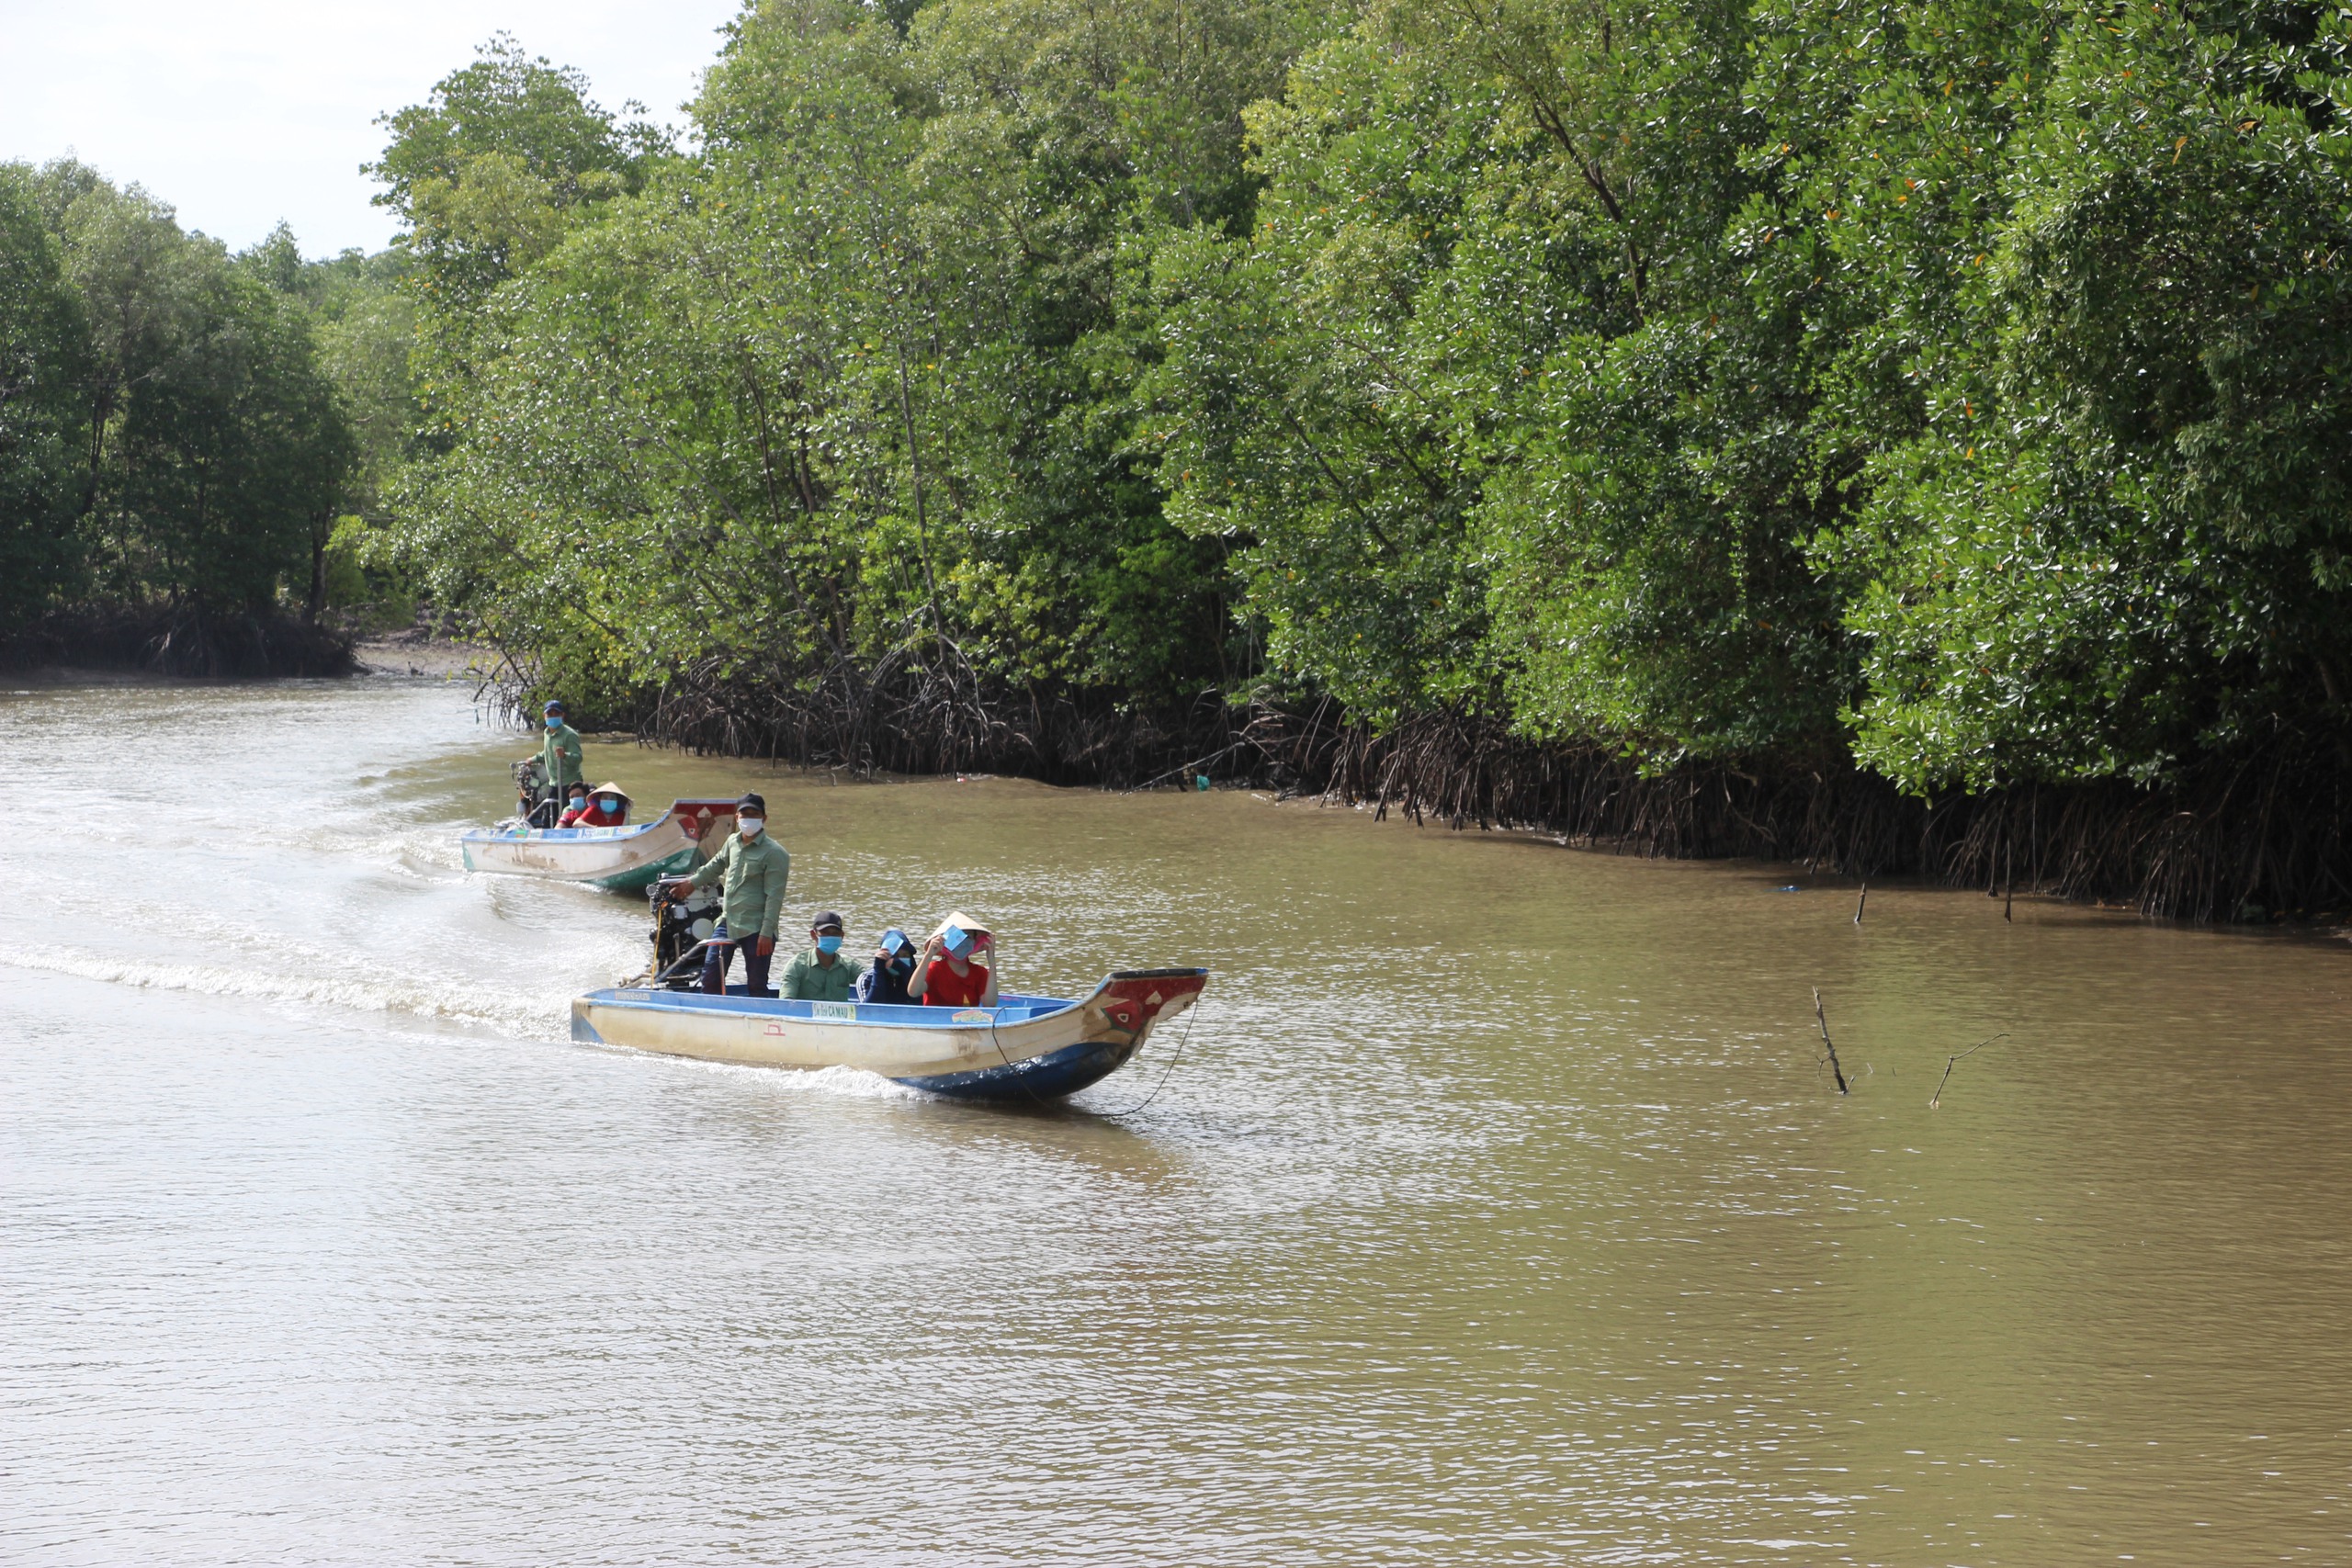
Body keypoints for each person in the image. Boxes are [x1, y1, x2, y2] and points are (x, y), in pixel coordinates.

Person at [673, 792, 791, 996]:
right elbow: (715, 865)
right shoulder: (732, 842)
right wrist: (692, 883)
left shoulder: (775, 853)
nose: (748, 819)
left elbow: (775, 896)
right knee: (710, 978)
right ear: (737, 817)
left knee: (756, 984)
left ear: (764, 819)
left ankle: (759, 1020)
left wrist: (766, 932)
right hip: (728, 921)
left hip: (757, 926)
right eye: (744, 814)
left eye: (754, 815)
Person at [908, 914, 999, 1009]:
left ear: (974, 941)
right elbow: (913, 992)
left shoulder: (980, 972)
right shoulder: (934, 969)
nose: (963, 941)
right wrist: (928, 955)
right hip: (938, 1021)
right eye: (958, 937)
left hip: (967, 1022)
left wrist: (992, 962)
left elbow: (990, 1004)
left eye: (968, 936)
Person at [781, 911, 865, 1003]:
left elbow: (870, 979)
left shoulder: (848, 965)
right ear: (813, 934)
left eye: (835, 933)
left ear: (842, 936)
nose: (830, 936)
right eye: (825, 933)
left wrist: (880, 963)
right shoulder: (797, 965)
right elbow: (786, 1002)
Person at [532, 700, 585, 825]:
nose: (553, 717)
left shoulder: (569, 735)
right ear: (544, 716)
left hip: (569, 783)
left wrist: (565, 755)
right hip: (554, 783)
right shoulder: (546, 733)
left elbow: (578, 758)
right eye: (549, 714)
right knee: (548, 817)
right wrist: (533, 759)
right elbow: (547, 752)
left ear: (562, 716)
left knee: (567, 817)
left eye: (556, 714)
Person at [854, 928, 918, 1005]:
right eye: (896, 955)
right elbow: (870, 1009)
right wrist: (879, 969)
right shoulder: (867, 978)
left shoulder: (918, 978)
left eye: (905, 956)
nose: (900, 960)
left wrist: (903, 969)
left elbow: (919, 1003)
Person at [560, 782, 629, 829]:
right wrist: (596, 829)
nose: (608, 800)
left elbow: (624, 830)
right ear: (600, 799)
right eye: (605, 797)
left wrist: (627, 811)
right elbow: (577, 824)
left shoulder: (621, 814)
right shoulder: (593, 810)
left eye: (612, 798)